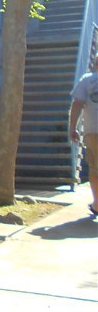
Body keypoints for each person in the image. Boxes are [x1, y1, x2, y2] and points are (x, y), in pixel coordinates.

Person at [68, 53, 98, 217]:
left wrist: (72, 127)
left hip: (93, 131)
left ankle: (97, 204)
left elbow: (77, 104)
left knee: (95, 168)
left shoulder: (87, 80)